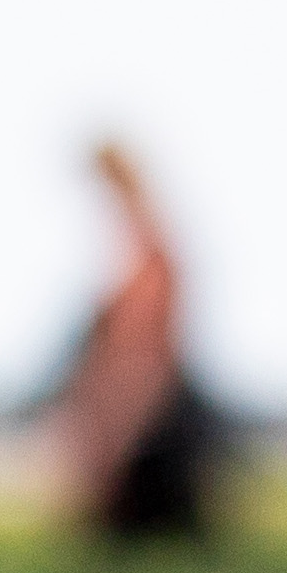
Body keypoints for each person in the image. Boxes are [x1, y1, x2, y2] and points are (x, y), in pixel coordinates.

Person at [46, 140, 223, 547]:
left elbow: (142, 360)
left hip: (155, 436)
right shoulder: (144, 249)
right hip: (152, 418)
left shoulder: (151, 254)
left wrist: (108, 442)